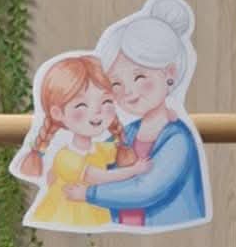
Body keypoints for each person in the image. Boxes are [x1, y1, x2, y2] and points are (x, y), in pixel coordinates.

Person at [64, 0, 210, 231]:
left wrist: (90, 194)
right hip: (122, 233)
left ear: (169, 74)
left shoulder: (178, 139)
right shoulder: (128, 133)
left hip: (170, 237)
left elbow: (147, 189)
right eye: (116, 84)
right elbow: (100, 163)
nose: (129, 93)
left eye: (140, 77)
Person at [14, 53, 145, 230]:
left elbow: (122, 147)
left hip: (93, 215)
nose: (97, 111)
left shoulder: (99, 149)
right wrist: (135, 170)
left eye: (105, 101)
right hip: (68, 218)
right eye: (81, 105)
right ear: (58, 113)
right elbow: (101, 177)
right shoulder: (65, 158)